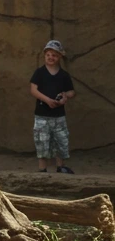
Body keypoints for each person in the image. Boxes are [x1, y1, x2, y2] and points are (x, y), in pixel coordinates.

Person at [29, 39, 77, 174]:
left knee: (61, 140)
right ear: (45, 55)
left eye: (54, 55)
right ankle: (42, 168)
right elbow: (33, 90)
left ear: (60, 57)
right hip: (41, 114)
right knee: (41, 140)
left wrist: (64, 97)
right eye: (48, 54)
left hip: (59, 115)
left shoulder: (64, 75)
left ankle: (60, 166)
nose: (51, 57)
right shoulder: (39, 72)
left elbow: (71, 91)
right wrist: (47, 100)